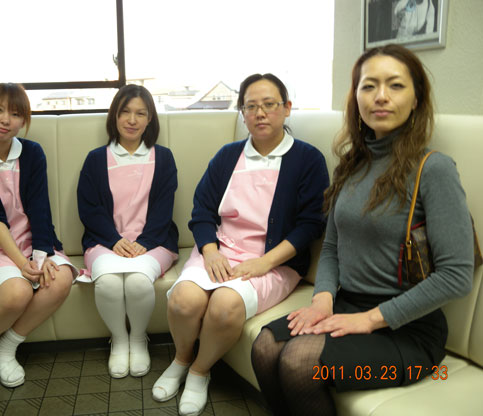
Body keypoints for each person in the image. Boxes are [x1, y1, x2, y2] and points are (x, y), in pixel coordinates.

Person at [251, 44, 474, 416]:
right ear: (356, 98)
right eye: (369, 86)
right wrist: (323, 297)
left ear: (417, 99)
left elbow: (457, 276)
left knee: (299, 361)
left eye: (395, 85)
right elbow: (332, 246)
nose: (380, 96)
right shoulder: (352, 164)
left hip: (409, 329)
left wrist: (369, 319)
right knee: (265, 347)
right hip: (347, 304)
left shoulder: (434, 169)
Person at [152, 73, 329, 416]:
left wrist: (265, 262)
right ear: (242, 113)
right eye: (251, 106)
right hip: (221, 250)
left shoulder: (308, 159)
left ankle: (200, 371)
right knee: (184, 301)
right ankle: (181, 359)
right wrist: (210, 251)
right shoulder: (227, 156)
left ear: (287, 108)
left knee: (225, 305)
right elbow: (202, 211)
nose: (260, 113)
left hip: (274, 261)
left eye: (269, 105)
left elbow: (311, 224)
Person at [0, 83, 77, 395]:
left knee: (60, 279)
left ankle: (6, 347)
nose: (5, 120)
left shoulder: (32, 153)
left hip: (34, 242)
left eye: (16, 114)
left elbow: (40, 207)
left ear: (24, 121)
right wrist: (22, 263)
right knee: (17, 292)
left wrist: (41, 256)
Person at [77, 85, 178, 378]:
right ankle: (120, 340)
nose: (132, 120)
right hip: (105, 241)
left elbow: (164, 207)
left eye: (140, 113)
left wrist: (144, 242)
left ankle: (138, 339)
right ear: (115, 116)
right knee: (108, 283)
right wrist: (114, 240)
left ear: (150, 119)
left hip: (154, 241)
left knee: (137, 282)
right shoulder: (96, 159)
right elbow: (89, 209)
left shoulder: (164, 157)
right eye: (125, 112)